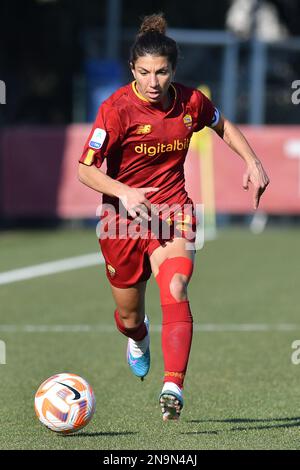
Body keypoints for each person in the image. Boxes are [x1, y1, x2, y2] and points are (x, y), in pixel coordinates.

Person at [78, 13, 269, 421]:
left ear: (173, 71)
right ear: (133, 70)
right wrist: (124, 191)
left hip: (173, 211)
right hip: (120, 221)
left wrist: (252, 160)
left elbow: (223, 125)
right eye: (144, 72)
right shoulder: (115, 110)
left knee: (177, 286)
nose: (153, 81)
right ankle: (139, 337)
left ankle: (172, 387)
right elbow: (85, 169)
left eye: (161, 72)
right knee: (129, 317)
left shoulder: (190, 103)